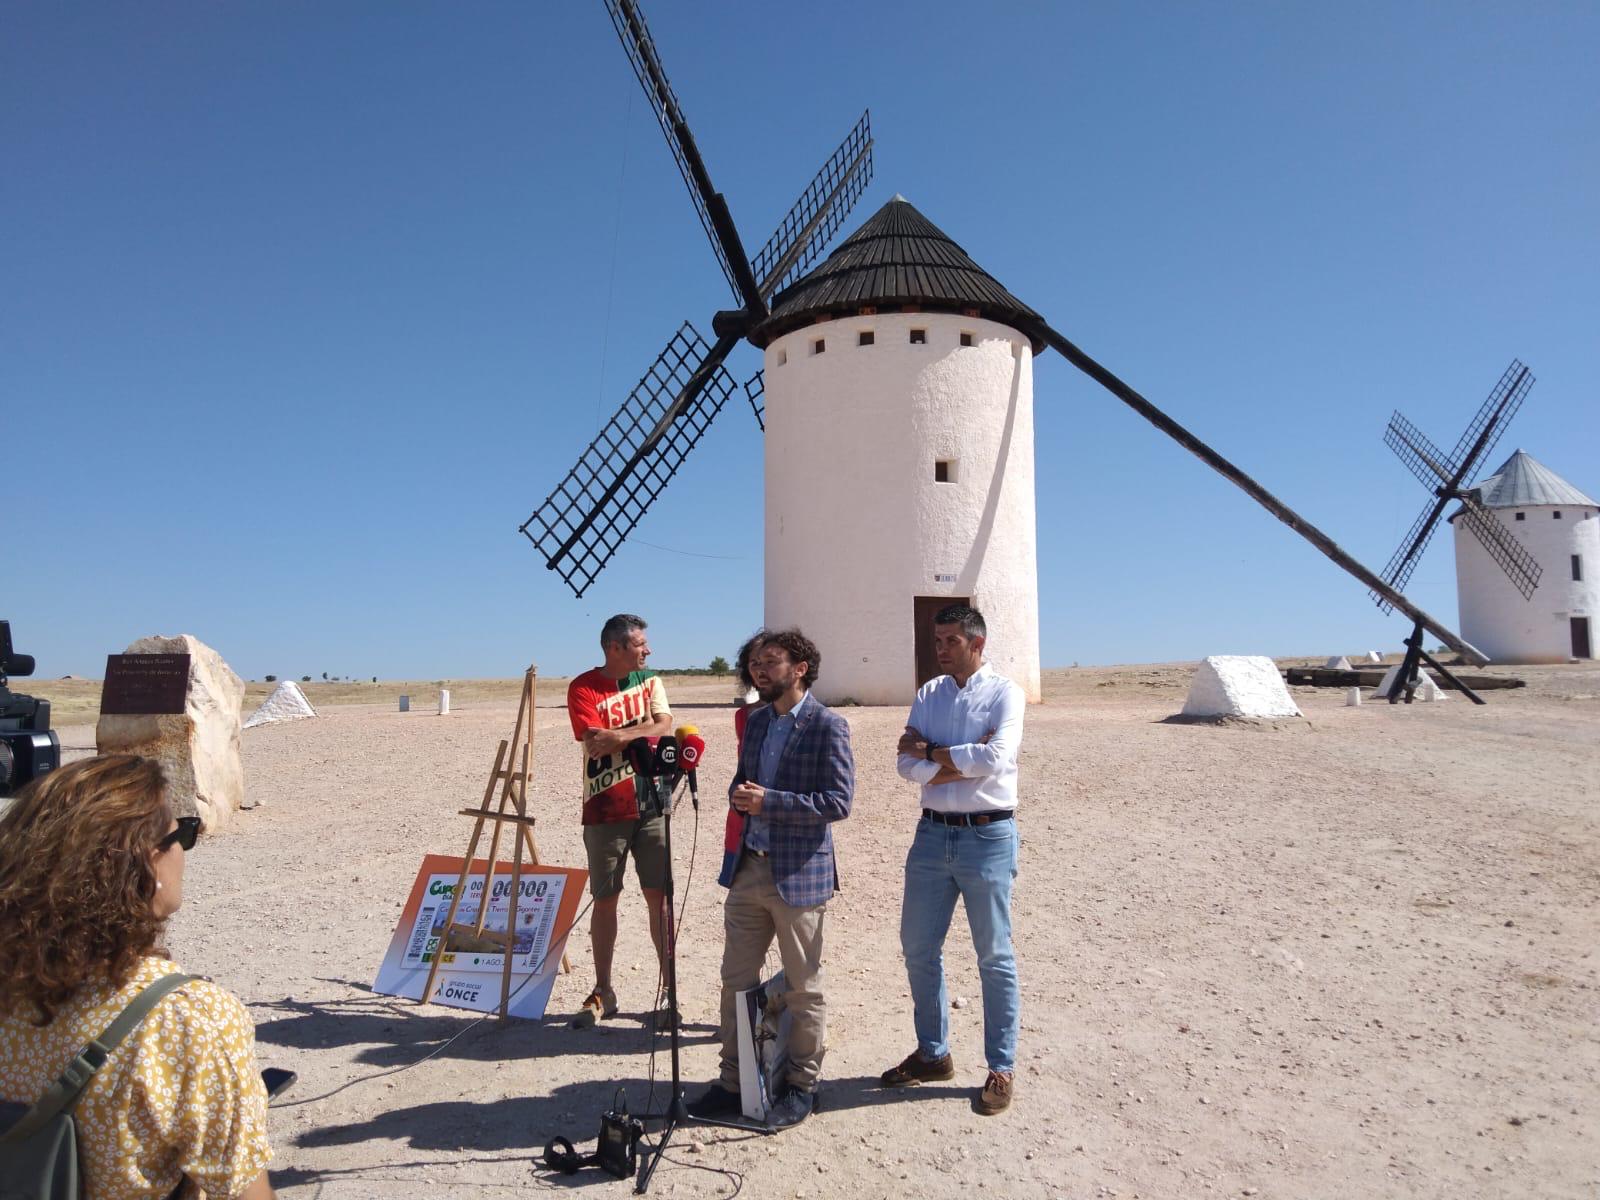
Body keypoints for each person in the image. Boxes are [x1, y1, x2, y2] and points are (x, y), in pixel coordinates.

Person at [0, 755, 276, 1198]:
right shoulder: (183, 1021)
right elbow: (243, 1190)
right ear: (147, 866)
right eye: (180, 835)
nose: (184, 850)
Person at [688, 628, 854, 1130]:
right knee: (735, 981)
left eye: (772, 660)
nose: (760, 669)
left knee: (803, 987)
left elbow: (838, 802)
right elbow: (744, 779)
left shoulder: (829, 725)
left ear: (800, 667)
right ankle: (733, 1081)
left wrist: (770, 802)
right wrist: (739, 794)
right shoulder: (757, 722)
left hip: (799, 875)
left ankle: (802, 1086)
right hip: (749, 868)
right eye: (756, 662)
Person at [884, 603, 1026, 1115]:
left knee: (994, 955)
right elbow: (904, 764)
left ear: (977, 643)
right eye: (936, 640)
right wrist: (959, 757)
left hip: (987, 837)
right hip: (931, 837)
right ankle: (933, 1052)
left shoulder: (1006, 693)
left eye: (949, 641)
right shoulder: (928, 694)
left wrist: (934, 752)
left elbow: (998, 760)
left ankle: (1001, 1066)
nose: (939, 649)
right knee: (918, 947)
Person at [566, 613, 675, 1027]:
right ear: (615, 648)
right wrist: (641, 731)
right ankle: (604, 989)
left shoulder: (652, 682)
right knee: (605, 900)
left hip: (653, 804)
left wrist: (624, 736)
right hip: (604, 808)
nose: (647, 650)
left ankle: (669, 990)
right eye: (639, 644)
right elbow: (594, 741)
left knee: (658, 899)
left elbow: (664, 726)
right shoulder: (583, 687)